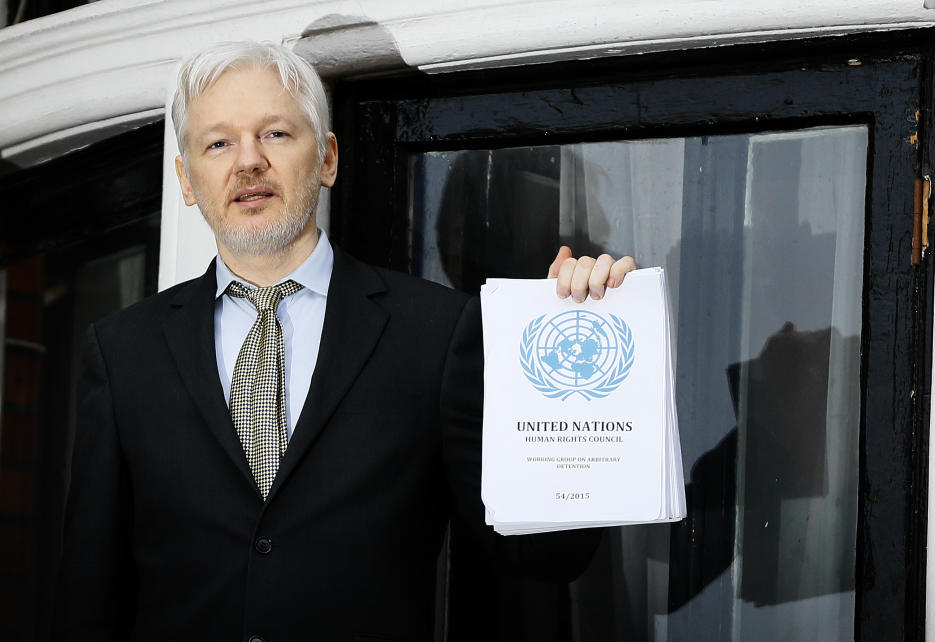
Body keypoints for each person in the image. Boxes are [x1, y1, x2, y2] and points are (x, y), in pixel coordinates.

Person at [54, 41, 636, 641]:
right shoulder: (123, 353)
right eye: (219, 142)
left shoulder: (436, 334)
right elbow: (88, 602)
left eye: (276, 134)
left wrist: (576, 347)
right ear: (186, 178)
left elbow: (544, 557)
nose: (248, 162)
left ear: (328, 158)